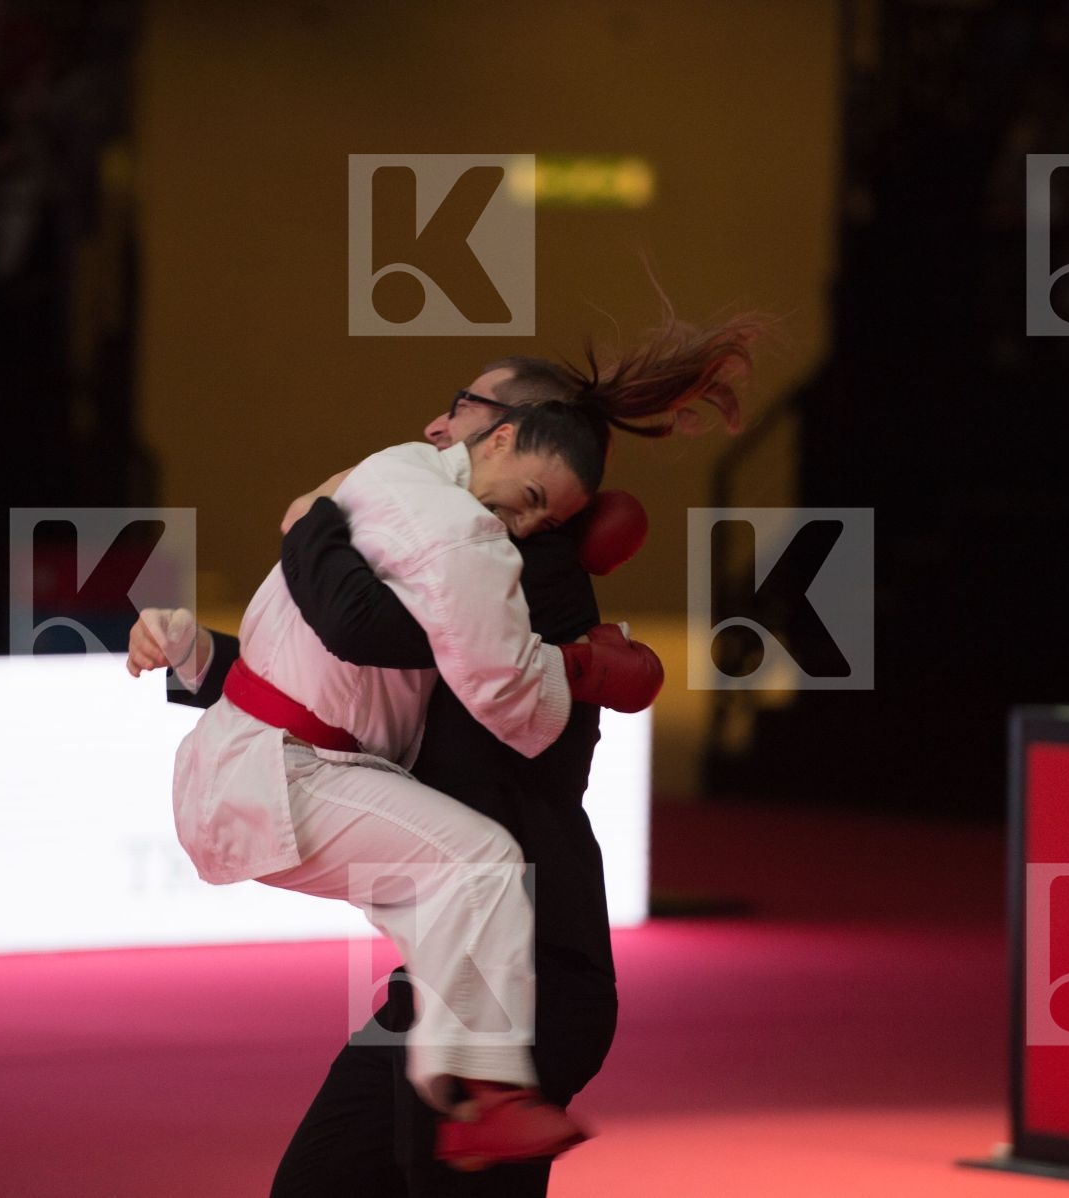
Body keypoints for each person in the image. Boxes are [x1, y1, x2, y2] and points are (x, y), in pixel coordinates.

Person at [129, 310, 759, 1185]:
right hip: (462, 978)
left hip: (529, 981)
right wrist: (202, 656)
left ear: (507, 433)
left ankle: (489, 1096)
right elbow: (334, 678)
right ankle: (482, 1091)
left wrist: (311, 520)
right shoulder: (445, 544)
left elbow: (362, 629)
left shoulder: (504, 565)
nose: (436, 425)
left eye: (462, 409)